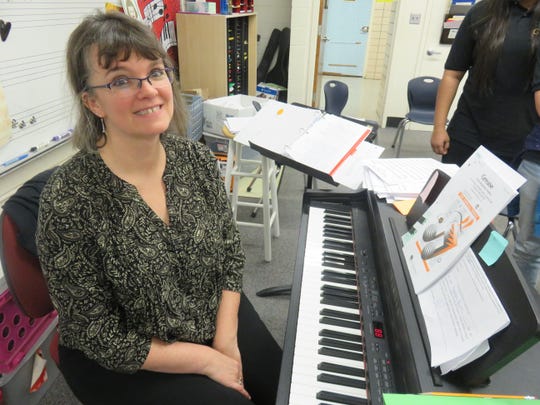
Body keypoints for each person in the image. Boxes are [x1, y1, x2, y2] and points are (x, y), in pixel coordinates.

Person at [36, 11, 282, 405]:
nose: (148, 89)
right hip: (127, 353)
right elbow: (93, 331)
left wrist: (226, 339)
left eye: (155, 72)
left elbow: (230, 256)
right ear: (92, 102)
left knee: (285, 388)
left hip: (205, 311)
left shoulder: (195, 160)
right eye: (120, 80)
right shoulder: (69, 198)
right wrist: (203, 360)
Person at [431, 0, 540, 167]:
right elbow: (453, 74)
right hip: (467, 132)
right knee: (453, 192)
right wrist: (439, 127)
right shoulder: (483, 11)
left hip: (519, 141)